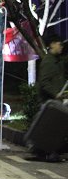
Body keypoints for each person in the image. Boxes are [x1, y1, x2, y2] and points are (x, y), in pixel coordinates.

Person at [34, 33, 67, 162]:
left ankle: (48, 152)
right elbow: (44, 82)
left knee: (54, 127)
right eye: (60, 44)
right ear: (52, 44)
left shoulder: (57, 61)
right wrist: (55, 93)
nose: (62, 47)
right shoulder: (49, 61)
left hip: (54, 102)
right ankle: (47, 153)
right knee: (50, 128)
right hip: (48, 101)